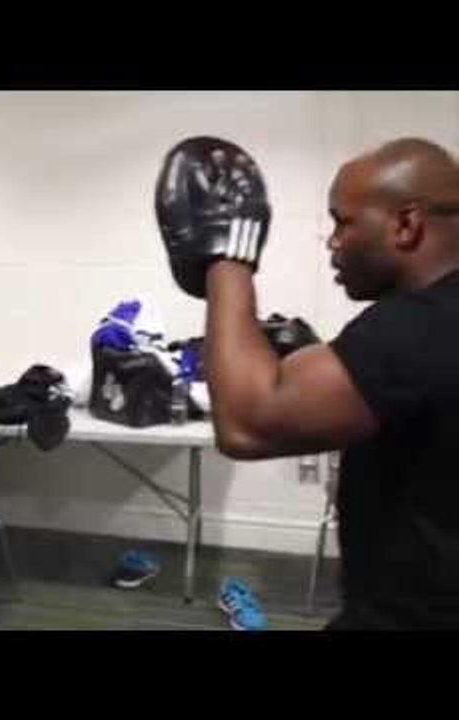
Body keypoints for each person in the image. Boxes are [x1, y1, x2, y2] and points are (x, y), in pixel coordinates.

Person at [156, 135, 459, 629]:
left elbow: (247, 423)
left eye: (343, 222)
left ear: (406, 224)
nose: (332, 241)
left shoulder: (422, 327)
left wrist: (227, 256)